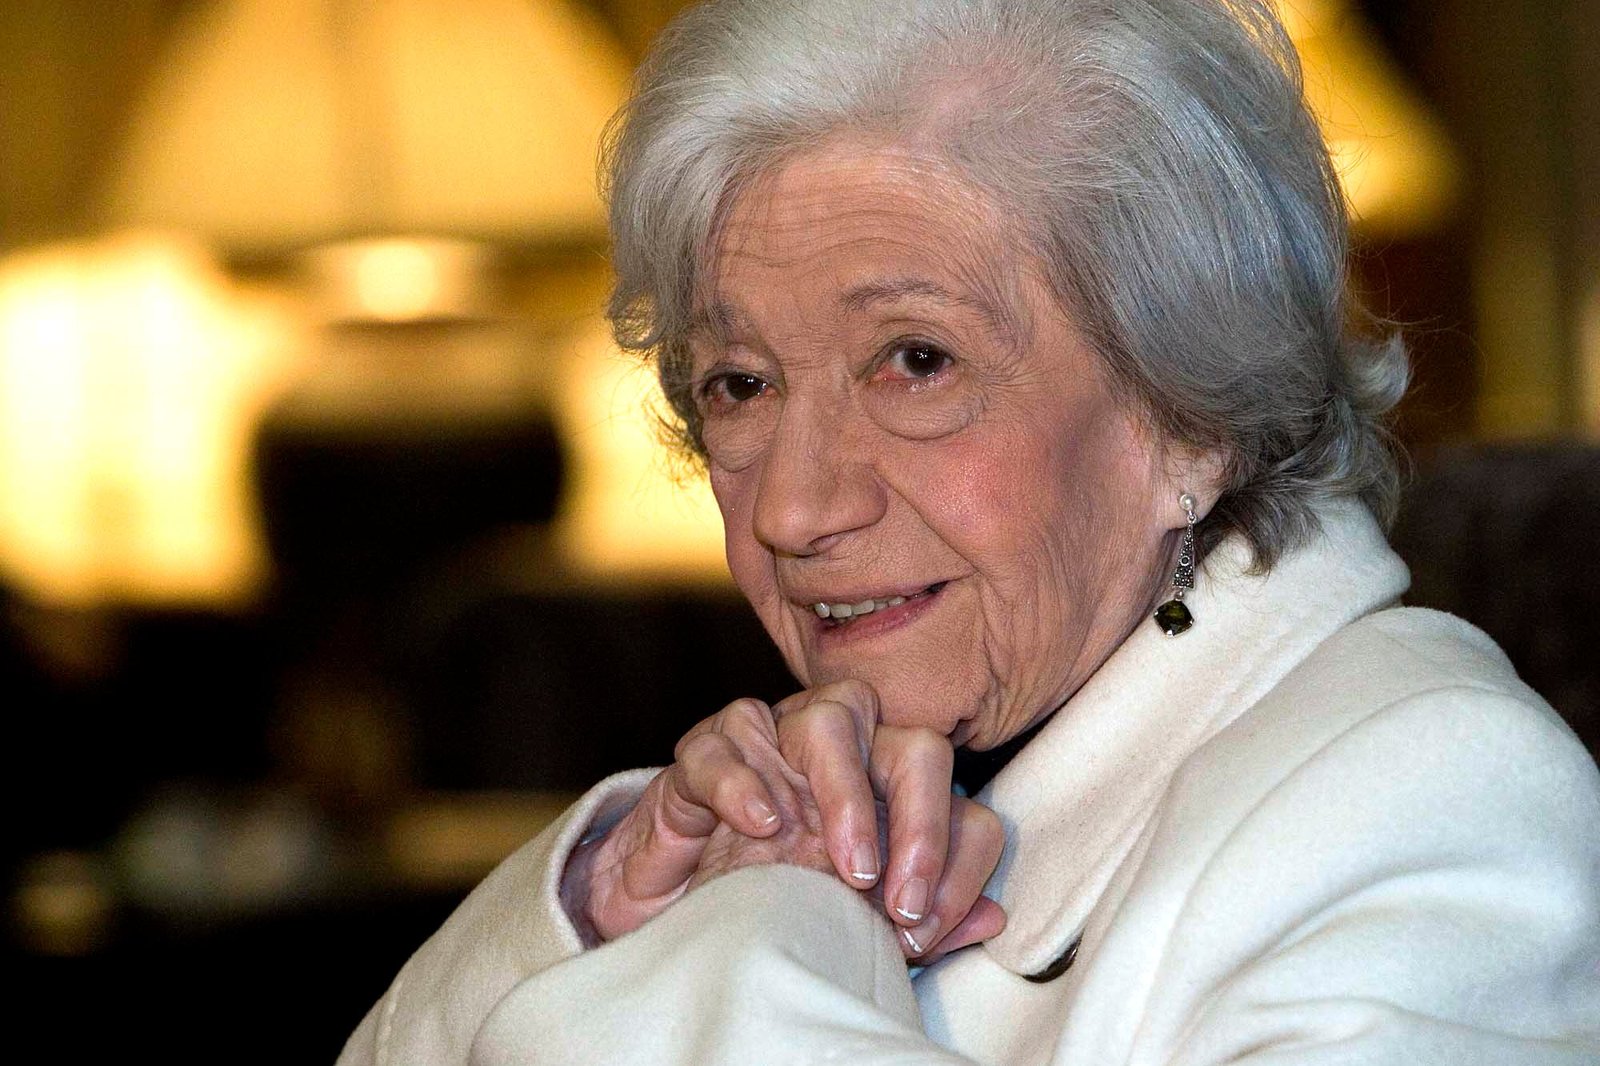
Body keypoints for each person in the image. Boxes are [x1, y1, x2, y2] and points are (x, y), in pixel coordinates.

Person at [340, 0, 1600, 1062]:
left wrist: (761, 925)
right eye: (741, 383)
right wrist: (613, 906)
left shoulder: (1431, 800)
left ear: (1185, 418)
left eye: (915, 361)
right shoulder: (817, 793)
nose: (790, 508)